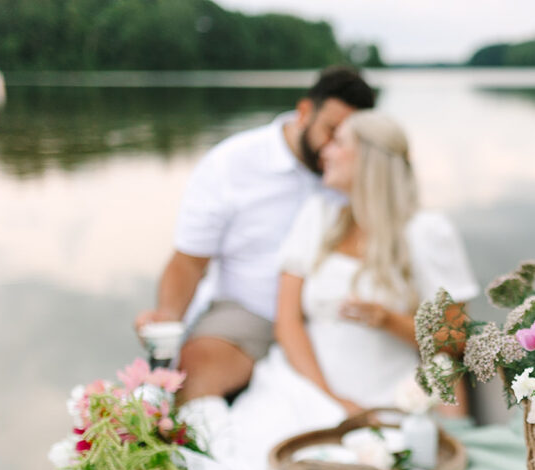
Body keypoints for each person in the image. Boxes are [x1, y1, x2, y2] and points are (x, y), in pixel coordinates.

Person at [196, 110, 480, 470]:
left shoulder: (426, 231)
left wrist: (391, 320)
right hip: (306, 383)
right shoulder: (319, 220)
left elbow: (457, 340)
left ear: (370, 159)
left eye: (339, 143)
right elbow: (288, 322)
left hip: (390, 394)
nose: (324, 150)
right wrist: (331, 397)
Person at [134, 66, 375, 404]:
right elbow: (189, 262)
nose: (334, 148)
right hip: (251, 315)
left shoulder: (363, 169)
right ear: (304, 112)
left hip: (333, 313)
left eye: (348, 139)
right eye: (330, 131)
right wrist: (166, 318)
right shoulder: (231, 164)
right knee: (195, 373)